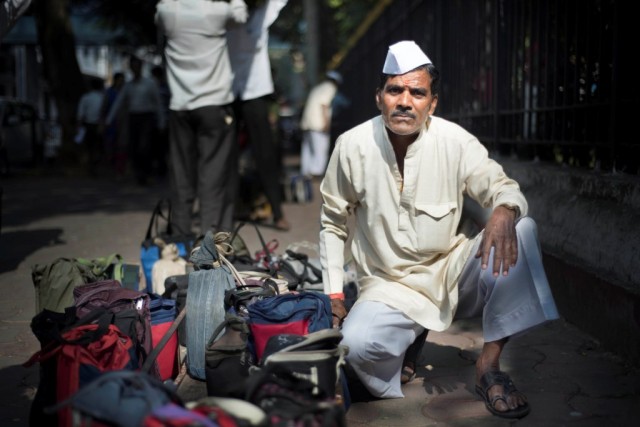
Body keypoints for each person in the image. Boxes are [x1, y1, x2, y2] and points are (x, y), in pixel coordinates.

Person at [319, 41, 559, 419]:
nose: (404, 101)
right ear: (379, 97)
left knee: (521, 228)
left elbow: (503, 186)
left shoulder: (455, 141)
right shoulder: (351, 146)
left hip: (452, 272)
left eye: (417, 92)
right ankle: (408, 341)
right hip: (388, 284)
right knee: (356, 347)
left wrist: (503, 210)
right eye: (395, 90)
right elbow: (332, 222)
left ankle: (490, 366)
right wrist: (333, 292)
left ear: (432, 104)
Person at [155, 0, 248, 235]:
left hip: (180, 107)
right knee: (214, 177)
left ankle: (180, 239)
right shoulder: (216, 11)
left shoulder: (168, 11)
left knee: (181, 175)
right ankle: (211, 244)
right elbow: (241, 14)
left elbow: (158, 14)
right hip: (215, 106)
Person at [227, 0, 290, 231]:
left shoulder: (262, 13)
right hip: (230, 92)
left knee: (266, 156)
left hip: (256, 92)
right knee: (227, 157)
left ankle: (277, 212)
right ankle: (228, 213)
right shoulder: (224, 13)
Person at [106, 56, 164, 186]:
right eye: (133, 66)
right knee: (134, 147)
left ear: (141, 67)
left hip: (147, 118)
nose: (135, 69)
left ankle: (146, 172)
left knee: (145, 146)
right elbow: (118, 103)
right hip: (133, 118)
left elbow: (158, 103)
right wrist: (109, 120)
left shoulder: (150, 84)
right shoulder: (128, 86)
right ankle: (139, 173)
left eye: (137, 66)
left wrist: (161, 122)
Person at [299, 70, 342, 177]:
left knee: (307, 148)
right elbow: (324, 104)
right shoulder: (330, 88)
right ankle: (316, 172)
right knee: (320, 148)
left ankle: (306, 171)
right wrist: (326, 122)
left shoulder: (318, 87)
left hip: (307, 122)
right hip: (318, 123)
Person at [76, 78, 105, 174]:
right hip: (97, 124)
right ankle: (94, 165)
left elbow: (80, 114)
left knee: (90, 147)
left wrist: (79, 126)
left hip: (89, 125)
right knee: (97, 146)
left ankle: (92, 165)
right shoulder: (101, 97)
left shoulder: (86, 97)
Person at [100, 72, 126, 175]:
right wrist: (103, 122)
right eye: (120, 80)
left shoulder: (125, 92)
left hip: (123, 123)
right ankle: (111, 165)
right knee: (110, 145)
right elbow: (104, 109)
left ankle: (120, 168)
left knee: (122, 146)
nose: (121, 82)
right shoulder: (109, 92)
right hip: (111, 124)